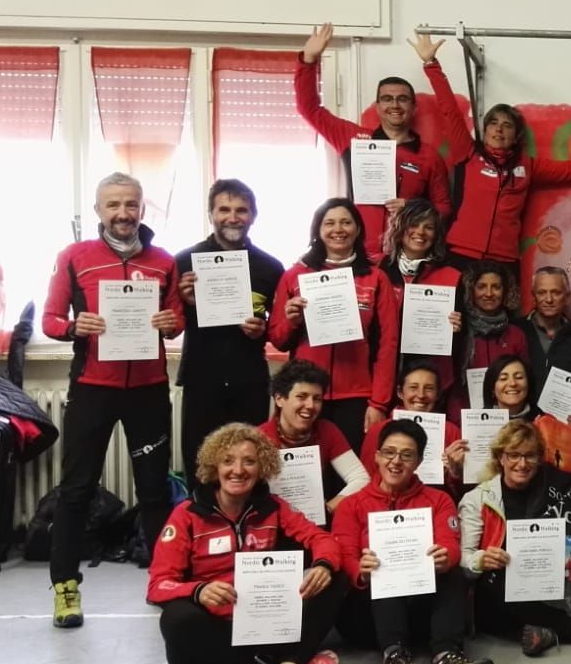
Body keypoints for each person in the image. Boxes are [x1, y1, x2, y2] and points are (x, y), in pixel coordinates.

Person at [42, 173, 184, 628]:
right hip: (93, 388)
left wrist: (170, 323)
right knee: (77, 490)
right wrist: (74, 327)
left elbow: (177, 320)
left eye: (131, 205)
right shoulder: (74, 257)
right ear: (99, 210)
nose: (123, 213)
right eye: (113, 205)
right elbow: (49, 320)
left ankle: (164, 580)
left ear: (142, 209)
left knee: (154, 490)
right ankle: (66, 587)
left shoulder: (163, 261)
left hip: (148, 390)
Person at [147, 424, 347, 664]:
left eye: (249, 461)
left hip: (264, 621)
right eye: (228, 461)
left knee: (335, 575)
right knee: (175, 620)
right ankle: (293, 663)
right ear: (214, 467)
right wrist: (198, 591)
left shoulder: (273, 507)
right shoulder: (186, 515)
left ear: (262, 467)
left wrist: (323, 565)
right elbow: (158, 585)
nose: (238, 470)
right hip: (210, 638)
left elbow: (321, 539)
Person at [331, 419, 495, 664]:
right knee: (384, 571)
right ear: (376, 456)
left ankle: (446, 657)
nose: (396, 461)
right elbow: (345, 554)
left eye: (407, 455)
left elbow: (451, 543)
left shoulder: (439, 500)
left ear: (419, 461)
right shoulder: (351, 505)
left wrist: (445, 557)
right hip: (369, 617)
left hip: (422, 613)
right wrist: (361, 570)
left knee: (454, 573)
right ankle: (395, 662)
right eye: (389, 453)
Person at [459, 420, 571, 656]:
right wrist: (481, 560)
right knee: (498, 587)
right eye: (514, 455)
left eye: (530, 456)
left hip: (544, 584)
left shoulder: (553, 490)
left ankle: (541, 634)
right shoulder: (477, 499)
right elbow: (463, 559)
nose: (522, 463)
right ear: (501, 458)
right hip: (496, 590)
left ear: (540, 458)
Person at [296, 25, 455, 255]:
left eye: (402, 99)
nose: (395, 105)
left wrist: (414, 209)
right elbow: (309, 109)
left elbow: (444, 208)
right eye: (387, 99)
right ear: (378, 107)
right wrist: (308, 60)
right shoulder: (353, 139)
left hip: (404, 257)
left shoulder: (429, 156)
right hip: (357, 254)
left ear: (414, 107)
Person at [432, 93, 571, 267]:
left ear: (516, 137)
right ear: (485, 130)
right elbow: (450, 110)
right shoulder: (468, 154)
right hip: (461, 254)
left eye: (507, 125)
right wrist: (432, 64)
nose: (499, 129)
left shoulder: (527, 166)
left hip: (503, 259)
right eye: (493, 123)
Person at [174, 179, 287, 478]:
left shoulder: (271, 268)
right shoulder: (183, 262)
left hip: (249, 381)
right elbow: (169, 326)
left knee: (248, 464)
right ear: (210, 214)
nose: (233, 217)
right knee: (200, 466)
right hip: (201, 380)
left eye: (241, 210)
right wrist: (184, 301)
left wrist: (261, 330)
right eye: (224, 209)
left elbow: (279, 329)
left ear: (254, 215)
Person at [268, 197, 400, 452]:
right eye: (329, 223)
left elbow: (388, 344)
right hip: (304, 395)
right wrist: (292, 321)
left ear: (358, 229)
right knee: (304, 468)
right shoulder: (294, 276)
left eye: (346, 222)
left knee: (349, 470)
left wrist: (379, 403)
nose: (338, 229)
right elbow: (278, 339)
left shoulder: (376, 278)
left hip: (356, 396)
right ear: (318, 230)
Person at [257, 360, 372, 517]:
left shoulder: (327, 430)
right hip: (270, 520)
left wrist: (328, 509)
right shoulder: (258, 438)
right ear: (279, 399)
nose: (310, 405)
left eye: (317, 398)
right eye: (301, 397)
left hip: (313, 522)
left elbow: (361, 479)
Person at [377, 198, 463, 402]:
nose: (420, 232)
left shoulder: (452, 276)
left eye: (429, 227)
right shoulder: (380, 270)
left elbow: (461, 341)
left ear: (437, 234)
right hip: (385, 374)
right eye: (414, 224)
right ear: (400, 228)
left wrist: (458, 326)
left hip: (431, 382)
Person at [360, 361, 467, 494]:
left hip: (434, 499)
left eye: (429, 388)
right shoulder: (378, 430)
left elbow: (463, 489)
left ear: (438, 394)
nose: (421, 395)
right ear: (400, 392)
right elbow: (366, 477)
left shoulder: (451, 431)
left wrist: (454, 473)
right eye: (413, 388)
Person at [451, 261, 529, 419]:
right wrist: (452, 336)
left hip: (508, 418)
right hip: (463, 415)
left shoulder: (516, 335)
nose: (489, 293)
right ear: (471, 290)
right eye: (481, 287)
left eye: (496, 287)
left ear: (505, 291)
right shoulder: (458, 329)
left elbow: (525, 380)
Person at [518, 266, 571, 399]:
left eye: (556, 292)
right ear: (534, 297)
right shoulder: (516, 331)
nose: (549, 299)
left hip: (562, 411)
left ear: (567, 297)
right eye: (542, 293)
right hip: (524, 411)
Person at [481, 354, 539, 422]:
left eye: (519, 377)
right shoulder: (478, 423)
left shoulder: (544, 422)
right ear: (492, 388)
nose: (512, 383)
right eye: (503, 378)